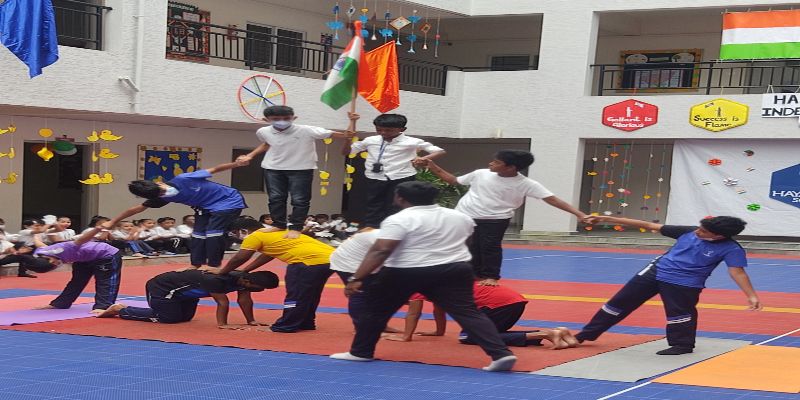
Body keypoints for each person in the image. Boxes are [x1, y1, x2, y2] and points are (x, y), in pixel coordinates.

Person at [331, 181, 517, 372]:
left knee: (374, 310)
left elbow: (381, 250)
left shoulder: (399, 219)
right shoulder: (460, 216)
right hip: (454, 269)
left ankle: (361, 352)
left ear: (400, 198)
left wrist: (357, 278)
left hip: (406, 270)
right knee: (468, 313)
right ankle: (501, 353)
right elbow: (467, 241)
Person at [576, 215, 762, 355]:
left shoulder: (732, 248)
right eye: (700, 227)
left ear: (720, 236)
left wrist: (751, 296)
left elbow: (737, 272)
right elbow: (648, 225)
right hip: (655, 272)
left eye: (704, 231)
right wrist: (605, 219)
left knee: (679, 315)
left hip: (685, 283)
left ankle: (682, 345)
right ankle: (586, 334)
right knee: (618, 303)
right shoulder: (688, 232)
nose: (698, 232)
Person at [420, 150, 587, 286]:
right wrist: (432, 166)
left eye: (497, 162)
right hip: (466, 215)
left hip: (496, 219)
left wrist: (579, 214)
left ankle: (491, 276)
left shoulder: (526, 184)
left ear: (511, 167)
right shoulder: (480, 174)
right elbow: (454, 180)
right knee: (469, 246)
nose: (490, 164)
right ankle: (472, 275)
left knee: (490, 247)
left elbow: (552, 199)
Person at [235, 106, 357, 234]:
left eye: (286, 118)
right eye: (276, 119)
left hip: (301, 169)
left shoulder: (306, 130)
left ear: (294, 118)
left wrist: (352, 122)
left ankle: (296, 227)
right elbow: (267, 143)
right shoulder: (263, 131)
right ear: (266, 120)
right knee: (275, 198)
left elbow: (345, 135)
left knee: (299, 200)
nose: (282, 121)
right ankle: (279, 224)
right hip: (273, 168)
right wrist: (250, 155)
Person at [203, 217, 335, 333]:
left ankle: (285, 326)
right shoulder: (274, 233)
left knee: (295, 294)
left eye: (234, 233)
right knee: (311, 293)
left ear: (243, 230)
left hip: (306, 261)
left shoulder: (255, 236)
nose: (235, 237)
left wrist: (222, 271)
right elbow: (268, 255)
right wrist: (245, 270)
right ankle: (306, 322)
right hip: (330, 259)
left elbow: (240, 257)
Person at [107, 161, 247, 269]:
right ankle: (195, 264)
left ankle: (214, 266)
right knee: (197, 234)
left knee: (213, 232)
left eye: (162, 191)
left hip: (228, 200)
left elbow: (215, 169)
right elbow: (137, 209)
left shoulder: (184, 178)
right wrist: (113, 221)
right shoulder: (162, 198)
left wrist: (236, 164)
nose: (164, 194)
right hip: (204, 207)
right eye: (161, 195)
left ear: (159, 182)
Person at [385, 284, 579, 349]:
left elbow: (414, 313)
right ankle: (557, 332)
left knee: (468, 337)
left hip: (499, 305)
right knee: (491, 333)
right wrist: (439, 332)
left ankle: (544, 334)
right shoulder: (434, 281)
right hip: (512, 301)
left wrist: (406, 337)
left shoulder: (414, 287)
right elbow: (439, 309)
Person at [342, 114, 446, 228]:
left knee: (398, 206)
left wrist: (423, 159)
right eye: (379, 129)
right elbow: (346, 152)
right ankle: (372, 230)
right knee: (373, 205)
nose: (383, 133)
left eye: (388, 130)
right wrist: (348, 140)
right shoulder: (370, 140)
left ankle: (395, 229)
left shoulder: (411, 141)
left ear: (402, 129)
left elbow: (439, 151)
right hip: (375, 177)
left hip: (402, 177)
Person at [97, 269, 279, 328]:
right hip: (163, 288)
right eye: (260, 287)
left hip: (187, 295)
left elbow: (244, 301)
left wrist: (251, 321)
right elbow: (222, 302)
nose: (261, 290)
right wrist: (223, 325)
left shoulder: (244, 281)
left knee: (185, 318)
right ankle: (121, 309)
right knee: (168, 319)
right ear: (248, 281)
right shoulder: (218, 279)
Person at [34, 224, 122, 311]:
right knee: (77, 281)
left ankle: (104, 306)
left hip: (105, 254)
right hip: (83, 258)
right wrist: (35, 234)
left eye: (54, 263)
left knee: (105, 281)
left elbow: (82, 239)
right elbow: (37, 242)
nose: (57, 264)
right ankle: (61, 303)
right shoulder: (42, 252)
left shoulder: (65, 248)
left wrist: (96, 229)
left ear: (48, 259)